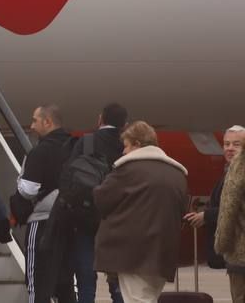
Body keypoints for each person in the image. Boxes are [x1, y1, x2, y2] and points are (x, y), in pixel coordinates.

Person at [95, 121, 189, 303]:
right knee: (148, 298)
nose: (124, 152)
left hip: (133, 253)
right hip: (163, 253)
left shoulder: (128, 169)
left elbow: (101, 200)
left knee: (137, 300)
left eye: (126, 146)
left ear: (137, 144)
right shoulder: (177, 174)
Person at [13, 104, 76, 303]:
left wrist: (20, 182)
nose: (31, 126)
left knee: (37, 282)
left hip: (42, 222)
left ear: (47, 122)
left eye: (35, 120)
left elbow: (27, 190)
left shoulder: (40, 152)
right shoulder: (75, 147)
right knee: (65, 282)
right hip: (70, 221)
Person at [69, 103, 128, 303]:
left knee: (86, 277)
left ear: (100, 119)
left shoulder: (86, 142)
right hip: (117, 218)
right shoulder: (127, 146)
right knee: (117, 280)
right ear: (124, 124)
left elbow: (70, 176)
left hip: (86, 216)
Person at [211, 129, 245, 303]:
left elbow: (228, 211)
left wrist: (221, 245)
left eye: (236, 144)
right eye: (226, 144)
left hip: (240, 256)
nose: (230, 148)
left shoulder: (238, 171)